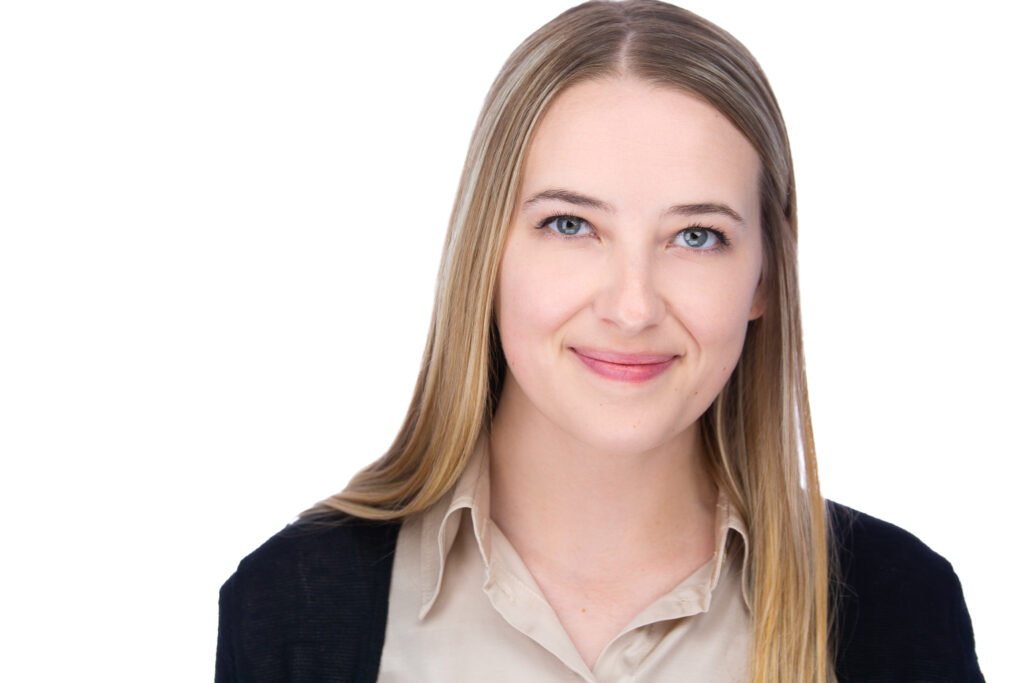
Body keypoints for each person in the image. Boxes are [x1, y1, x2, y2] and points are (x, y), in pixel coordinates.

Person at [216, 1, 983, 681]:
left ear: (766, 277)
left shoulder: (898, 609)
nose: (632, 305)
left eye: (696, 235)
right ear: (485, 250)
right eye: (571, 225)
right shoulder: (295, 605)